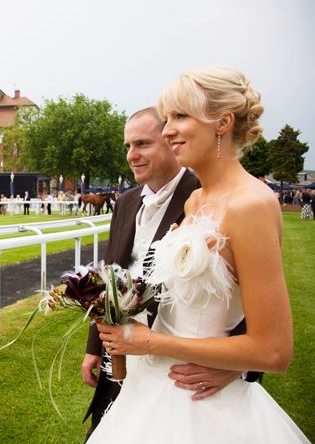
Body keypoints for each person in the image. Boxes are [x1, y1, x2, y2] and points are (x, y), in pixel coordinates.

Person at [88, 66, 308, 442]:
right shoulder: (195, 201)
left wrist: (151, 344)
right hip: (148, 390)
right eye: (167, 117)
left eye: (180, 116)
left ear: (223, 122)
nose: (168, 129)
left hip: (198, 403)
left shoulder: (251, 204)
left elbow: (274, 349)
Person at [82, 106, 225, 436]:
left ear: (172, 142)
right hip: (119, 356)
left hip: (177, 367)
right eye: (128, 146)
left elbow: (234, 288)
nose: (132, 155)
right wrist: (94, 347)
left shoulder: (207, 196)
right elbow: (109, 281)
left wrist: (233, 368)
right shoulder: (126, 202)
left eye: (143, 144)